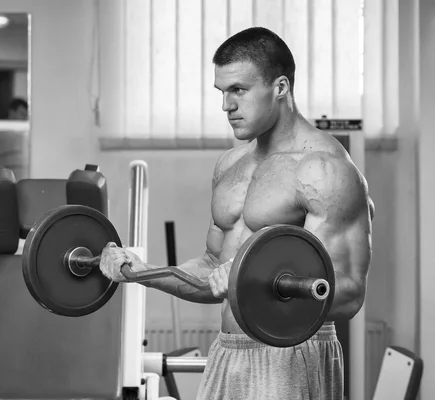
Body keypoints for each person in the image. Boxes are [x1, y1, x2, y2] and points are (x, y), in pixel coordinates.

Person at [100, 26, 375, 400]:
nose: (226, 105)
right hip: (228, 350)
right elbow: (213, 269)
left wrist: (251, 280)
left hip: (290, 357)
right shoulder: (230, 166)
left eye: (239, 90)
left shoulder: (323, 170)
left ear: (280, 88)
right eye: (223, 92)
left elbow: (348, 294)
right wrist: (141, 271)